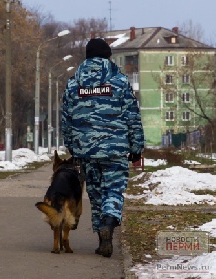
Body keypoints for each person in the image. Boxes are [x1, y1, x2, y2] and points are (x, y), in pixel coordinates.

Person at [61, 38, 144, 257]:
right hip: (115, 149)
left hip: (85, 150)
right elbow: (132, 115)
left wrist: (71, 145)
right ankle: (108, 222)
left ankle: (102, 240)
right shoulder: (119, 82)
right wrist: (136, 146)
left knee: (96, 193)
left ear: (86, 57)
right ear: (108, 56)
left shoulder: (73, 84)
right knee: (113, 190)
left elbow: (66, 119)